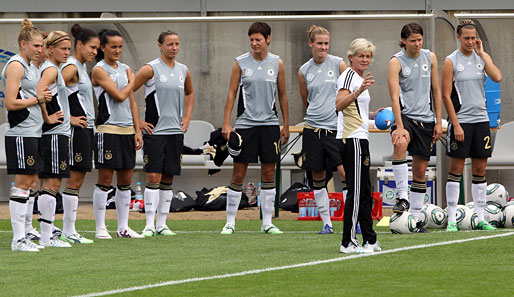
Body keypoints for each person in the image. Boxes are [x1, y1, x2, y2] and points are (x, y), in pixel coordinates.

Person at [220, 21, 289, 234]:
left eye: (258, 39)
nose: (254, 43)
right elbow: (231, 93)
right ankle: (230, 222)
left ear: (268, 39)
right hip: (245, 126)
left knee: (268, 174)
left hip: (269, 125)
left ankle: (267, 223)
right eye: (251, 39)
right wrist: (226, 122)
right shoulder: (240, 63)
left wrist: (286, 124)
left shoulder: (277, 63)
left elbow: (283, 95)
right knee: (239, 174)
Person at [442, 19, 502, 232]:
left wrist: (483, 54)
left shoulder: (481, 58)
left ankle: (480, 217)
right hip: (462, 122)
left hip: (482, 121)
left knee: (480, 170)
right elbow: (446, 95)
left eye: (473, 38)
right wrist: (455, 124)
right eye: (466, 38)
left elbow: (497, 76)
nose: (470, 41)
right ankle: (451, 218)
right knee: (456, 170)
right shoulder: (451, 61)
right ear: (458, 38)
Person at [133, 30, 194, 237]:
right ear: (160, 45)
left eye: (177, 44)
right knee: (152, 175)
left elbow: (190, 92)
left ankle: (162, 224)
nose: (174, 48)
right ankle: (149, 224)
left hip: (175, 132)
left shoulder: (183, 70)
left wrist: (187, 117)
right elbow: (126, 92)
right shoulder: (150, 69)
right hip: (155, 131)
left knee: (168, 177)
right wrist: (138, 121)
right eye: (170, 44)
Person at [1, 19, 52, 251]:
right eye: (37, 46)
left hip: (34, 131)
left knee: (31, 181)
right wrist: (38, 99)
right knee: (22, 183)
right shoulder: (16, 65)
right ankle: (17, 239)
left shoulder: (31, 66)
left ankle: (27, 232)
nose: (41, 50)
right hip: (20, 133)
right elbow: (11, 103)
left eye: (42, 45)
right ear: (23, 45)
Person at [388, 23, 443, 232]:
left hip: (427, 119)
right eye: (413, 40)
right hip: (406, 116)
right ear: (404, 41)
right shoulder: (396, 61)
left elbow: (436, 91)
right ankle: (402, 197)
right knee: (400, 143)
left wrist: (438, 121)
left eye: (420, 40)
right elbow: (394, 96)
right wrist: (399, 125)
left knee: (421, 172)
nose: (417, 44)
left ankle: (416, 219)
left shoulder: (431, 57)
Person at [91, 29, 143, 239]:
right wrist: (133, 80)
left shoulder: (126, 69)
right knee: (104, 179)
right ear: (102, 47)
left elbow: (132, 102)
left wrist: (137, 130)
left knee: (126, 180)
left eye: (120, 46)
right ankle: (100, 227)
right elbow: (120, 95)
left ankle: (123, 227)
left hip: (127, 131)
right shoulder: (98, 70)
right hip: (108, 130)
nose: (118, 50)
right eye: (113, 46)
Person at [298, 25, 346, 234]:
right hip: (312, 130)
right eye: (319, 43)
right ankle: (327, 223)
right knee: (317, 176)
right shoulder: (303, 70)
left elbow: (349, 95)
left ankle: (354, 221)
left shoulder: (339, 64)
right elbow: (306, 99)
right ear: (311, 44)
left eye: (326, 43)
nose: (323, 47)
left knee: (345, 174)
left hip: (336, 130)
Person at [336, 38, 381, 253]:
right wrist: (358, 91)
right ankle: (348, 242)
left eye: (368, 56)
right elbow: (339, 104)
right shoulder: (348, 76)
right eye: (360, 55)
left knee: (365, 191)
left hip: (361, 137)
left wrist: (373, 116)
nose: (364, 59)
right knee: (355, 191)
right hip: (351, 138)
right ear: (351, 57)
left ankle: (370, 239)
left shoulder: (358, 78)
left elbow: (355, 111)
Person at [60, 24, 100, 243]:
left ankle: (69, 230)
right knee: (74, 180)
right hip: (77, 130)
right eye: (92, 47)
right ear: (80, 45)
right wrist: (69, 119)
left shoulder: (82, 68)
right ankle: (68, 230)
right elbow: (53, 89)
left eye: (97, 49)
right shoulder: (72, 67)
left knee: (78, 179)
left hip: (87, 129)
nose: (95, 52)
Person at [36, 30, 74, 248]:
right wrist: (48, 118)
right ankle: (47, 236)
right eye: (63, 49)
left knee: (47, 183)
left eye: (69, 49)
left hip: (58, 132)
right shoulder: (50, 69)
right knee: (52, 181)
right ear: (51, 49)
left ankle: (46, 232)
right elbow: (40, 91)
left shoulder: (54, 69)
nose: (66, 53)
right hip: (54, 133)